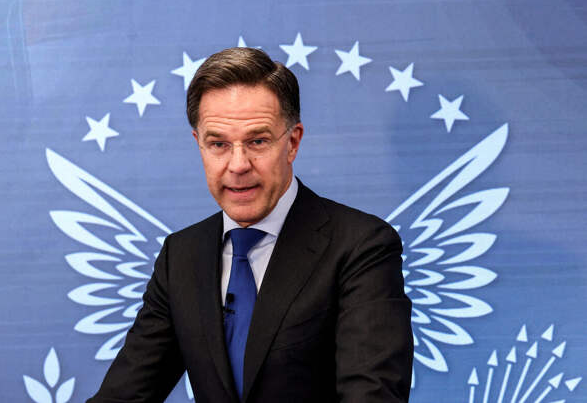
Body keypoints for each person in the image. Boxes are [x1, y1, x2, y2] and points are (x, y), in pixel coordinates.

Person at [87, 47, 413, 403]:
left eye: (257, 141)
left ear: (292, 142)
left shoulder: (361, 246)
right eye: (218, 144)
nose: (238, 164)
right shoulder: (180, 256)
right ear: (199, 145)